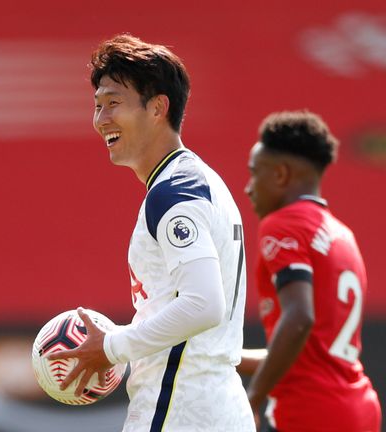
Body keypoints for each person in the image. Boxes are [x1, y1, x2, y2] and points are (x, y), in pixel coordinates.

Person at [48, 34, 254, 431]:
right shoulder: (197, 181)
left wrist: (110, 347)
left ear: (158, 107)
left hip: (179, 407)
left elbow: (203, 304)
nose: (101, 119)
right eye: (97, 106)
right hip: (212, 403)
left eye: (113, 103)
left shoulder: (175, 192)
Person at [239, 110, 381, 431]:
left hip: (312, 411)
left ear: (280, 174)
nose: (249, 187)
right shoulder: (342, 234)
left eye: (254, 173)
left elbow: (300, 318)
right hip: (358, 405)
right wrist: (224, 357)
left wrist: (253, 398)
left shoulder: (284, 223)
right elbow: (306, 355)